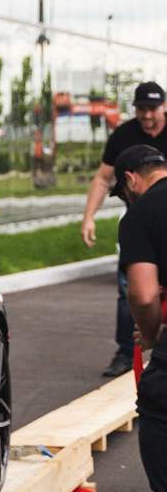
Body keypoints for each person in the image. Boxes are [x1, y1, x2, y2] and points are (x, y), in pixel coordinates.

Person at [81, 81, 167, 377]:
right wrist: (88, 216)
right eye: (141, 109)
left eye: (152, 109)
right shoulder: (124, 135)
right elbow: (103, 179)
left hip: (152, 221)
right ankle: (124, 350)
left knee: (143, 291)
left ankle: (152, 339)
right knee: (129, 288)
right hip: (148, 225)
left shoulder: (136, 215)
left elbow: (144, 298)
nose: (146, 116)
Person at [115, 145, 167, 492]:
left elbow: (144, 295)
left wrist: (150, 337)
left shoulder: (141, 213)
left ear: (130, 179)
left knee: (157, 402)